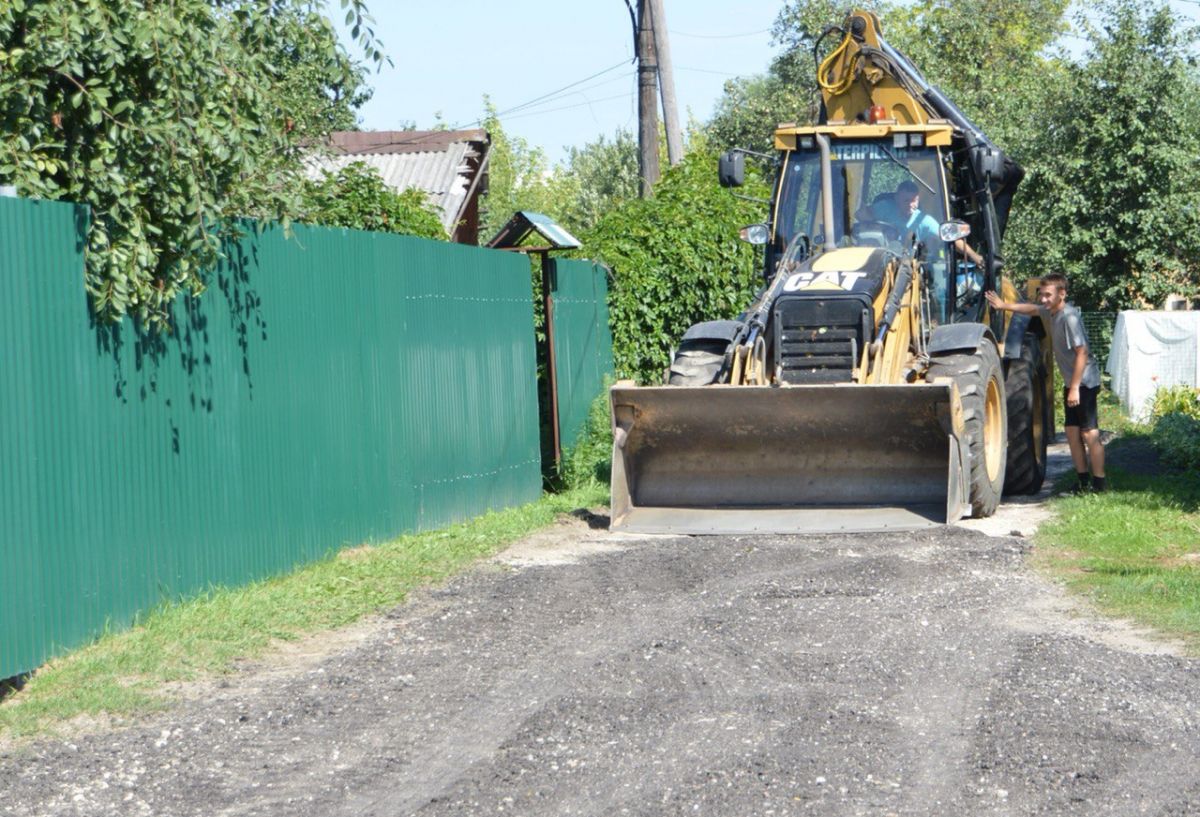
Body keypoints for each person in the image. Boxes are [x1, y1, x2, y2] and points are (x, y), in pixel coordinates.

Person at [985, 273, 1107, 492]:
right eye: (1042, 295)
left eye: (1048, 295)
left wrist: (1075, 388)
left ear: (1062, 294)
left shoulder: (1068, 317)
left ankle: (1099, 485)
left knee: (1089, 433)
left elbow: (1082, 352)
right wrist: (1003, 305)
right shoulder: (1051, 312)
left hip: (1085, 382)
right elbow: (1031, 309)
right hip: (1073, 383)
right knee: (1071, 432)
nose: (1043, 299)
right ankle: (1083, 482)